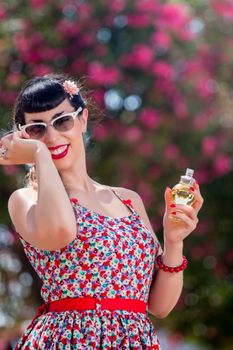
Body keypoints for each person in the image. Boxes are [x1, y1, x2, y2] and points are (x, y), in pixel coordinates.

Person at [0, 74, 203, 349]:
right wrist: (39, 155)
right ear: (23, 137)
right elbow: (61, 231)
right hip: (68, 341)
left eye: (62, 121)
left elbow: (159, 305)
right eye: (37, 129)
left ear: (82, 120)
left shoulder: (128, 200)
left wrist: (174, 240)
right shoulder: (25, 200)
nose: (52, 136)